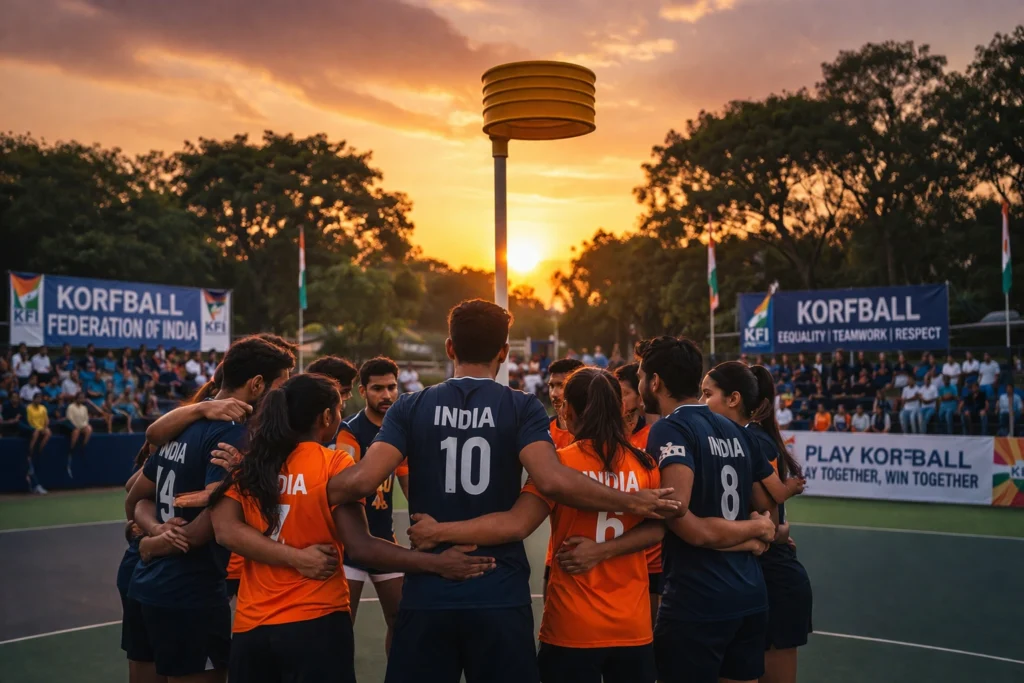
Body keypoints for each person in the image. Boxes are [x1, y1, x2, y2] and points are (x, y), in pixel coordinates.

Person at [326, 300, 680, 683]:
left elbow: (361, 482)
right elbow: (552, 480)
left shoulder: (412, 406)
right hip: (499, 590)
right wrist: (633, 500)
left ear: (449, 347)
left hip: (430, 592)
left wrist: (302, 471)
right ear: (504, 352)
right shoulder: (521, 406)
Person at [207, 372, 493, 683]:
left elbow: (226, 531)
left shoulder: (249, 464)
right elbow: (361, 547)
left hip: (252, 627)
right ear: (326, 416)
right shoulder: (332, 463)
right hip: (316, 620)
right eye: (339, 410)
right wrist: (437, 564)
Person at [407, 367, 664, 683]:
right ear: (620, 407)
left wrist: (438, 531)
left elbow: (516, 523)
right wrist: (607, 549)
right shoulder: (645, 463)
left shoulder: (559, 465)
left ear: (567, 409)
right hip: (633, 624)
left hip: (573, 625)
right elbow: (659, 527)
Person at [124, 336, 296, 683]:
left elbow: (137, 497)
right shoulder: (233, 436)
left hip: (145, 585)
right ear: (257, 385)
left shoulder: (183, 424)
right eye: (281, 386)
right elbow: (209, 527)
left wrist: (153, 536)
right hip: (190, 592)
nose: (284, 396)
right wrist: (157, 540)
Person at [630, 347, 787, 683]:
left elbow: (684, 517)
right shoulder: (735, 429)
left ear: (655, 382)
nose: (640, 382)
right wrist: (752, 535)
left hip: (697, 598)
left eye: (642, 376)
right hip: (748, 593)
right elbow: (766, 513)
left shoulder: (669, 428)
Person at [332, 356, 409, 655]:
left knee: (402, 618)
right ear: (363, 391)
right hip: (350, 544)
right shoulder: (350, 431)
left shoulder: (401, 430)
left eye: (391, 387)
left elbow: (408, 482)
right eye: (378, 388)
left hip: (382, 541)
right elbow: (348, 484)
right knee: (340, 627)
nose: (386, 395)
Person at [614, 362, 661, 623]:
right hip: (614, 559)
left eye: (623, 393)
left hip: (650, 561)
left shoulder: (653, 437)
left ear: (640, 396)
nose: (616, 400)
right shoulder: (609, 437)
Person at [547, 358, 585, 449]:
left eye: (561, 385)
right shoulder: (544, 429)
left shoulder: (593, 433)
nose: (554, 394)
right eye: (551, 386)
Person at [26, 393, 51, 494]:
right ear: (33, 399)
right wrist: (36, 428)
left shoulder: (43, 408)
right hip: (33, 430)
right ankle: (30, 450)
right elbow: (29, 420)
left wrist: (44, 428)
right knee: (36, 432)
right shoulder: (28, 408)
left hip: (41, 429)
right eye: (37, 398)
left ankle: (41, 448)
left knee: (48, 432)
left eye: (40, 398)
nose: (39, 400)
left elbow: (46, 420)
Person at [66, 393, 95, 476]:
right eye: (79, 398)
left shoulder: (84, 408)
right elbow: (69, 418)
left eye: (82, 398)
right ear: (76, 398)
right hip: (73, 427)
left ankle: (83, 446)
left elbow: (86, 419)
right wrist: (76, 426)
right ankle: (71, 449)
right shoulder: (71, 407)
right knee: (76, 431)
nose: (81, 399)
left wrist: (84, 425)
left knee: (89, 428)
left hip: (82, 426)